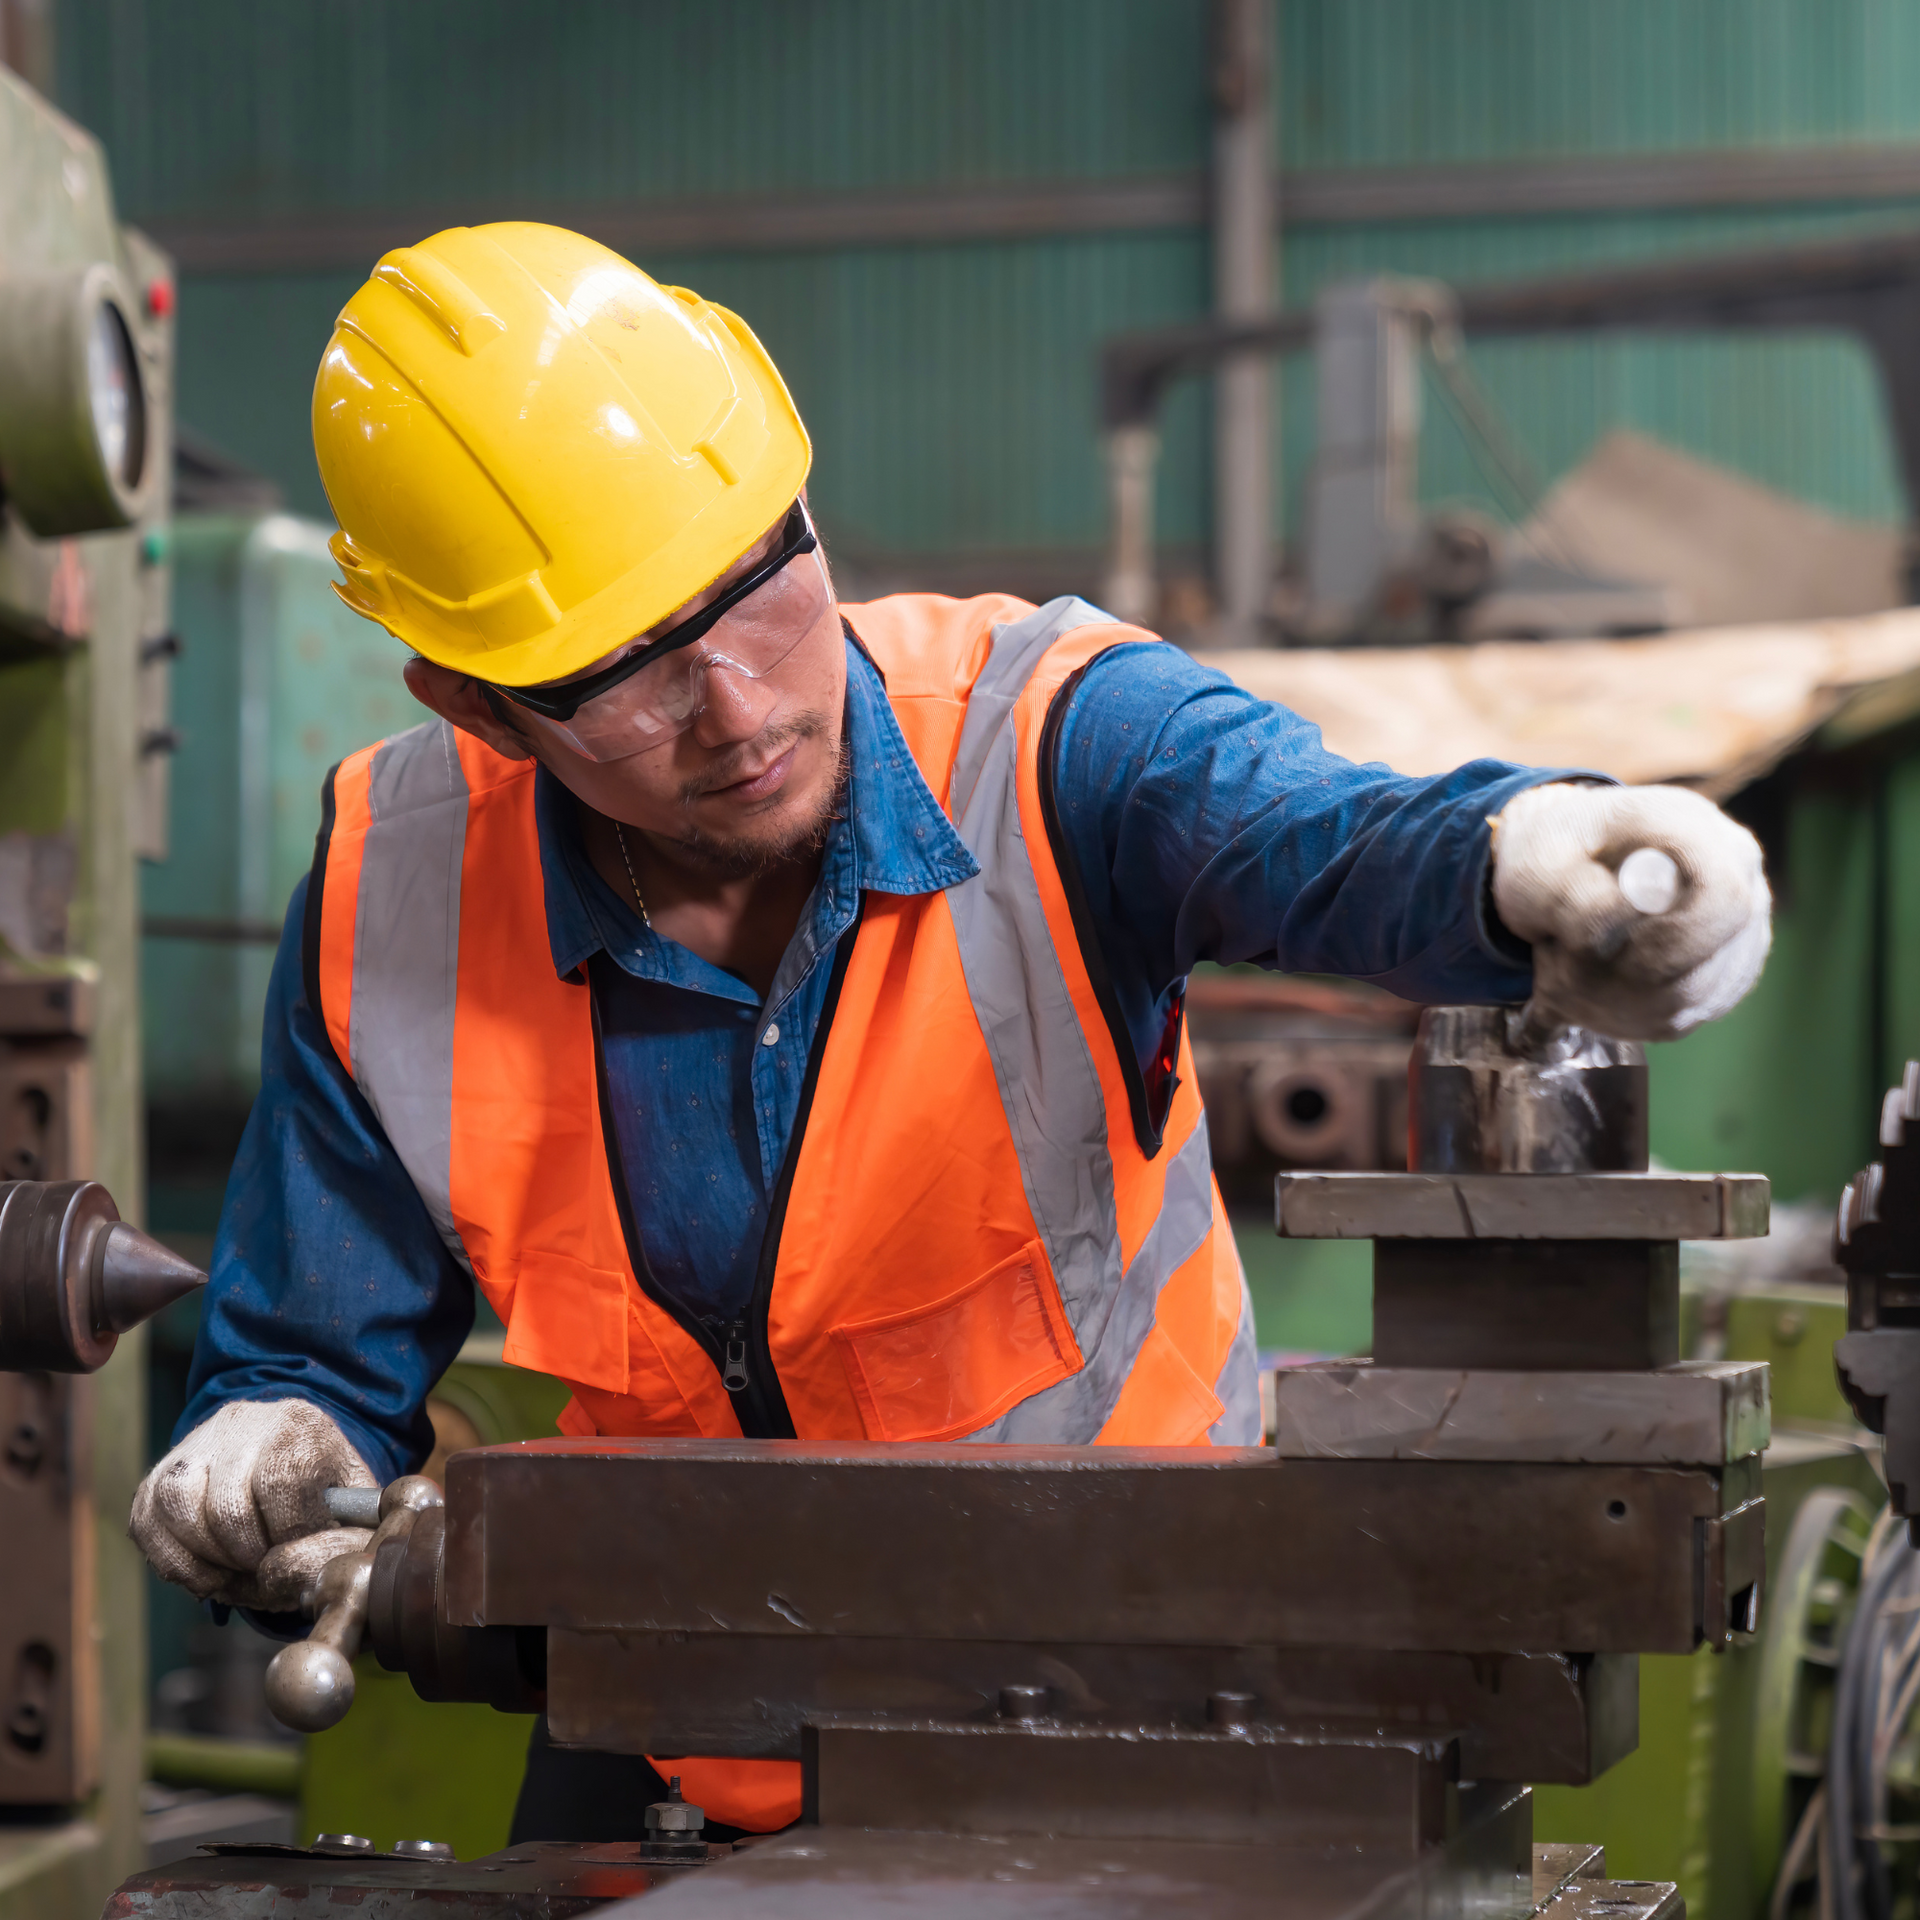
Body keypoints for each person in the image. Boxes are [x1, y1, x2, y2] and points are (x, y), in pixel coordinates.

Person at [128, 224, 1771, 1840]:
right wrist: (272, 1440)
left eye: (758, 589)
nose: (743, 708)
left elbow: (1321, 834)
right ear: (475, 704)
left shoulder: (1047, 738)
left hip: (1144, 1697)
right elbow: (317, 1364)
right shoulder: (390, 893)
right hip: (678, 1725)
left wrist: (1525, 866)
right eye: (625, 676)